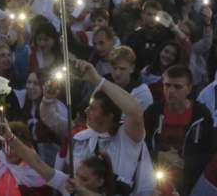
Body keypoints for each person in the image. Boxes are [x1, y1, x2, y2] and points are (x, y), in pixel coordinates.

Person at [62, 59, 155, 196]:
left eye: (93, 109)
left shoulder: (128, 136)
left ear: (110, 116)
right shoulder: (80, 138)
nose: (86, 111)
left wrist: (97, 79)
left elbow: (135, 110)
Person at [143, 65, 215, 196]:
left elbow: (208, 152)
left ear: (189, 88)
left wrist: (184, 162)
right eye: (167, 85)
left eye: (177, 87)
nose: (170, 91)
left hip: (187, 178)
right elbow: (140, 145)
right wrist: (159, 155)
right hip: (153, 172)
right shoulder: (153, 112)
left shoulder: (201, 115)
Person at [3, 120, 117, 196]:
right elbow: (37, 163)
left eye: (84, 179)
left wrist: (81, 190)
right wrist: (10, 136)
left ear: (99, 182)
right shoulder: (68, 183)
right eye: (77, 175)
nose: (77, 181)